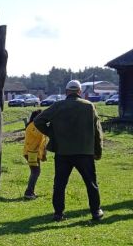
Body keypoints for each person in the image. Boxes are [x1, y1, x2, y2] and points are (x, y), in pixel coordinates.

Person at [34, 80, 104, 222]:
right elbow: (97, 131)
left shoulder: (58, 106)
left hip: (63, 151)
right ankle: (96, 211)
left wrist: (53, 134)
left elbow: (38, 121)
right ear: (79, 92)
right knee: (91, 183)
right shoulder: (89, 106)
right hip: (84, 151)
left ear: (66, 92)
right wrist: (98, 150)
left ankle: (58, 213)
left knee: (59, 184)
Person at [22, 109, 48, 200]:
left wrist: (43, 154)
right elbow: (40, 135)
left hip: (33, 153)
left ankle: (30, 191)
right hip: (31, 153)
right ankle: (29, 193)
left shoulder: (36, 125)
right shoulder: (33, 125)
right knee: (35, 172)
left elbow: (42, 140)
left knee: (35, 172)